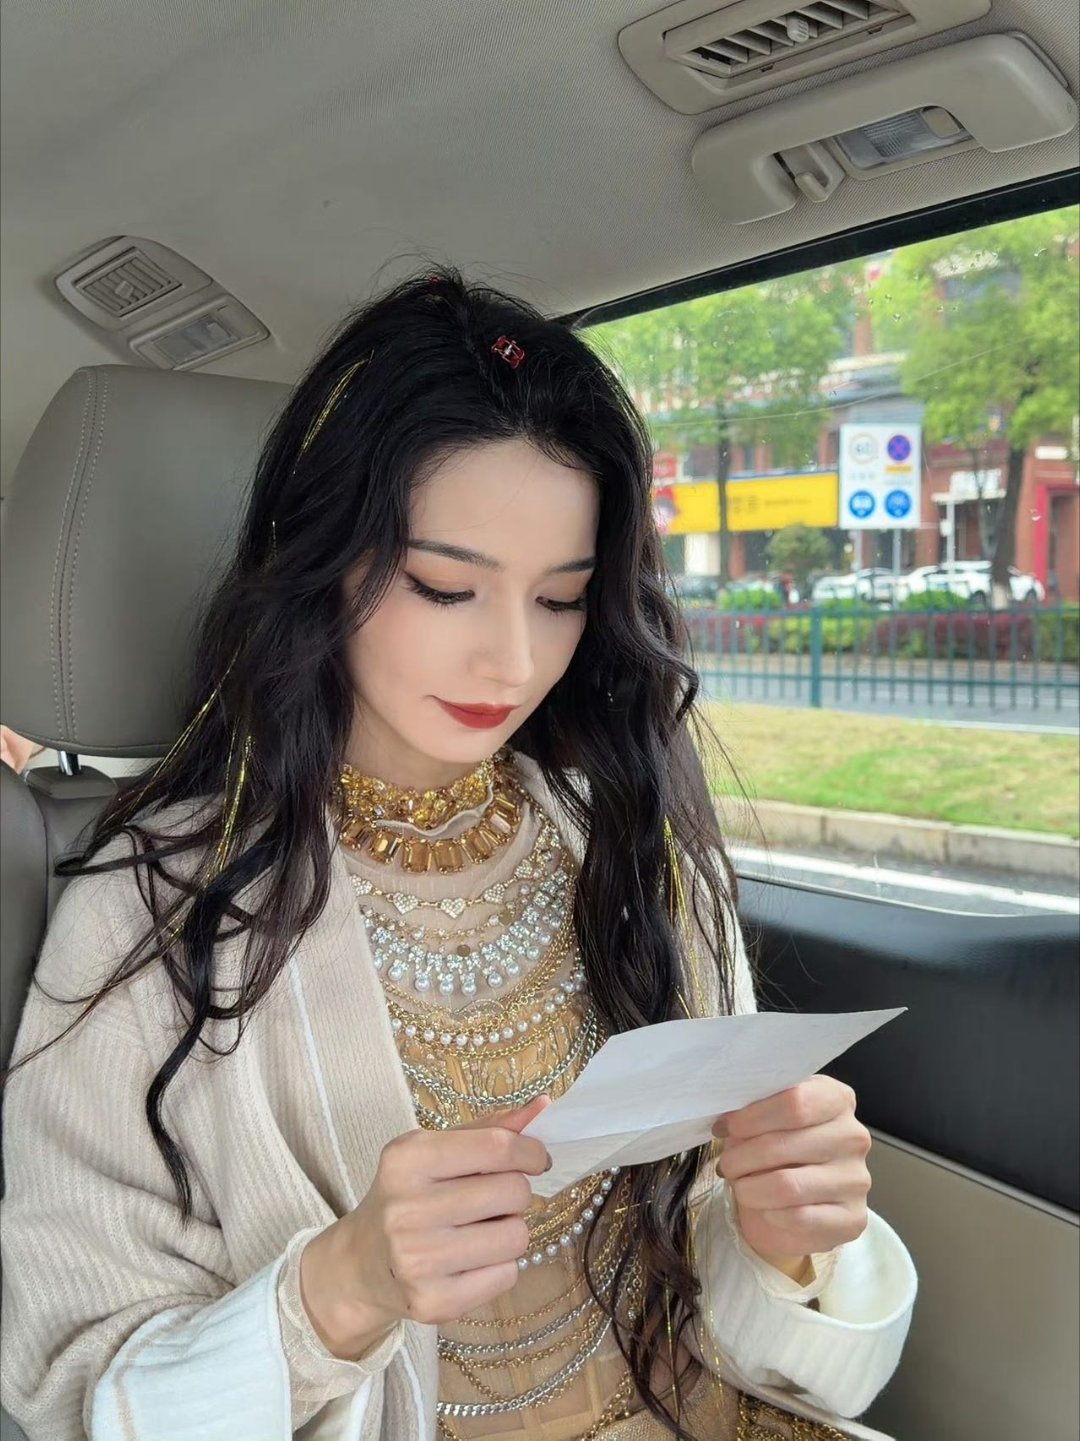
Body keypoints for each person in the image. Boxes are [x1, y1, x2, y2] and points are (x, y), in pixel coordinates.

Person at [0, 270, 916, 1441]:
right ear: (320, 558)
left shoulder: (627, 847)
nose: (512, 662)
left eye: (563, 599)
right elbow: (76, 1395)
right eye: (445, 586)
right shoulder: (155, 905)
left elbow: (736, 1330)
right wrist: (338, 1289)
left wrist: (785, 1246)